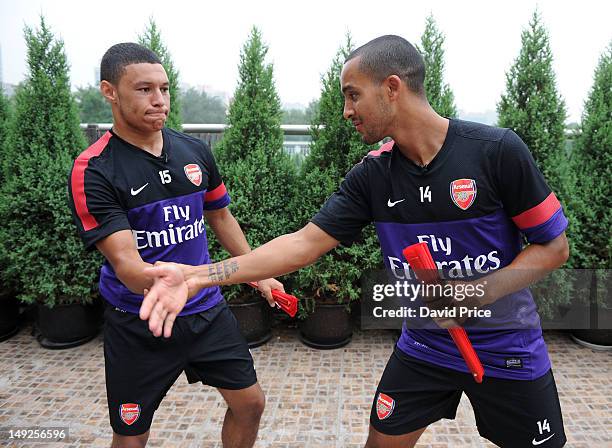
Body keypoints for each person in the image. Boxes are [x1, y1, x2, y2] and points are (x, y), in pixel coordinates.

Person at [142, 36, 569, 448]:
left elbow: (555, 247)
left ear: (392, 87)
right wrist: (199, 276)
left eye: (352, 95)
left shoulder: (495, 151)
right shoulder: (373, 175)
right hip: (424, 347)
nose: (346, 111)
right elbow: (302, 244)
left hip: (507, 350)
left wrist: (477, 292)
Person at [67, 42, 283, 448]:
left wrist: (262, 274)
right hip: (138, 323)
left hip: (206, 313)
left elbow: (220, 216)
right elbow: (126, 265)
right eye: (144, 89)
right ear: (109, 91)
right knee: (131, 436)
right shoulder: (94, 169)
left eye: (164, 89)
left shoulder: (194, 151)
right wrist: (164, 280)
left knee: (251, 404)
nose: (159, 101)